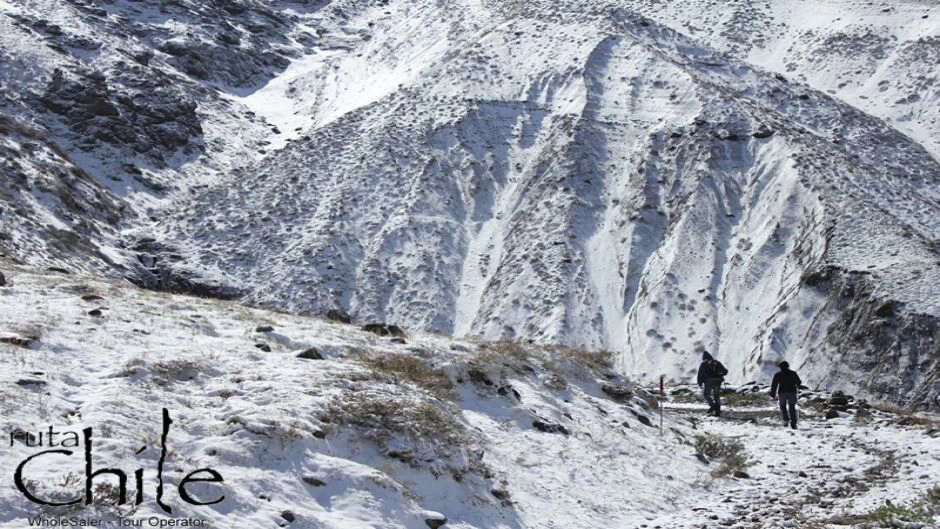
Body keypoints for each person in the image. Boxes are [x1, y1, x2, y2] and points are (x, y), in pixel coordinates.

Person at [770, 361, 802, 429]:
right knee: (792, 407)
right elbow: (799, 382)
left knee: (782, 406)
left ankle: (786, 419)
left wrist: (773, 394)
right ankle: (793, 423)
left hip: (782, 392)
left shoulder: (777, 374)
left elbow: (774, 384)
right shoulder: (793, 373)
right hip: (792, 392)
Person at [697, 351, 727, 416]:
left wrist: (700, 382)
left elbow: (700, 374)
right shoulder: (717, 362)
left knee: (706, 394)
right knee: (716, 395)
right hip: (718, 381)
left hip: (709, 381)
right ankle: (718, 410)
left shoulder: (704, 364)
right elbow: (725, 371)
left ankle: (713, 406)